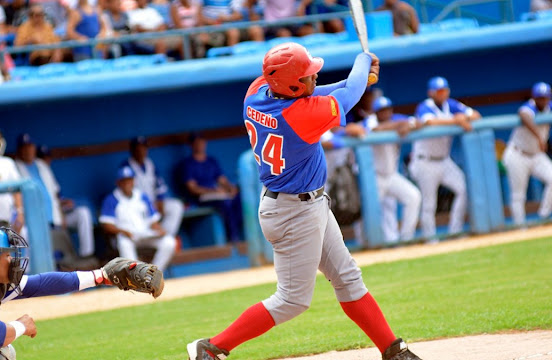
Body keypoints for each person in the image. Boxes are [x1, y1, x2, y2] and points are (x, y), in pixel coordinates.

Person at [186, 42, 422, 360]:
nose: (314, 77)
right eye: (308, 74)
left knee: (348, 277)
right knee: (292, 300)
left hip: (304, 205)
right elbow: (344, 97)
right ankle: (212, 348)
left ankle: (392, 351)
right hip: (293, 212)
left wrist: (358, 79)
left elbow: (321, 90)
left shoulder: (257, 92)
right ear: (292, 84)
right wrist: (362, 64)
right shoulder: (300, 116)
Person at [0, 226, 164, 359]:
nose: (13, 259)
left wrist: (100, 276)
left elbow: (45, 283)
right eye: (7, 254)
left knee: (3, 352)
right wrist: (21, 325)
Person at [408, 76, 480, 241]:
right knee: (429, 203)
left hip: (444, 160)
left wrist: (465, 118)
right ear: (431, 93)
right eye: (439, 91)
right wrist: (456, 120)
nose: (442, 94)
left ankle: (455, 231)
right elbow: (429, 122)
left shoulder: (452, 105)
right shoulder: (425, 106)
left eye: (444, 90)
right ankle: (431, 238)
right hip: (424, 161)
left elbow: (476, 115)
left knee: (463, 189)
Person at [14, 134, 98, 263]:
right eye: (24, 147)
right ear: (19, 150)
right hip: (33, 220)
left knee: (83, 213)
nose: (28, 150)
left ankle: (86, 255)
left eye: (30, 146)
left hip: (55, 216)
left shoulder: (42, 165)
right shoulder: (15, 168)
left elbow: (54, 193)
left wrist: (61, 211)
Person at [364, 96, 421, 243]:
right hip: (375, 177)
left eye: (388, 109)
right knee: (373, 211)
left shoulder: (396, 118)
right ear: (376, 112)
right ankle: (373, 244)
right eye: (382, 111)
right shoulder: (371, 121)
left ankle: (406, 239)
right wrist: (400, 125)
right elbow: (376, 129)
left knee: (413, 196)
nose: (386, 113)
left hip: (392, 176)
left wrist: (409, 125)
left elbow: (417, 122)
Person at [99, 166, 176, 271]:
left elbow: (153, 221)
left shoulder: (142, 196)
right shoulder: (111, 199)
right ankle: (137, 276)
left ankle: (154, 274)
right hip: (127, 236)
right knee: (123, 242)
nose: (127, 183)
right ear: (118, 183)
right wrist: (123, 231)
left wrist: (159, 229)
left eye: (129, 180)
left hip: (145, 234)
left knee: (169, 241)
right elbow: (107, 225)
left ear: (134, 181)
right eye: (124, 181)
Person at [502, 82, 552, 227]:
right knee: (518, 195)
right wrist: (539, 137)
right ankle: (520, 228)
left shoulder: (549, 106)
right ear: (534, 97)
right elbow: (524, 115)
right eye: (540, 98)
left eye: (545, 97)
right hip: (518, 154)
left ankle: (544, 215)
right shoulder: (528, 107)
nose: (543, 100)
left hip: (536, 156)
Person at [180, 133, 243, 242]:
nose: (200, 145)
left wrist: (231, 189)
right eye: (197, 142)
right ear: (191, 145)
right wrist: (213, 191)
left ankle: (239, 233)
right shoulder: (188, 164)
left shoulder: (211, 161)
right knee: (226, 203)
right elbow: (193, 189)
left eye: (202, 142)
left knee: (238, 198)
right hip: (201, 198)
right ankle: (232, 238)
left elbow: (222, 180)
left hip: (217, 195)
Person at [123, 136, 184, 238]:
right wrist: (147, 203)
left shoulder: (150, 164)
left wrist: (160, 200)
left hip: (154, 202)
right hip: (136, 205)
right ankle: (151, 239)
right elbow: (126, 190)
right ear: (132, 150)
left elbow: (159, 185)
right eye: (138, 148)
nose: (141, 151)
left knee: (176, 206)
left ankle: (165, 237)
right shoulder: (126, 166)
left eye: (143, 148)